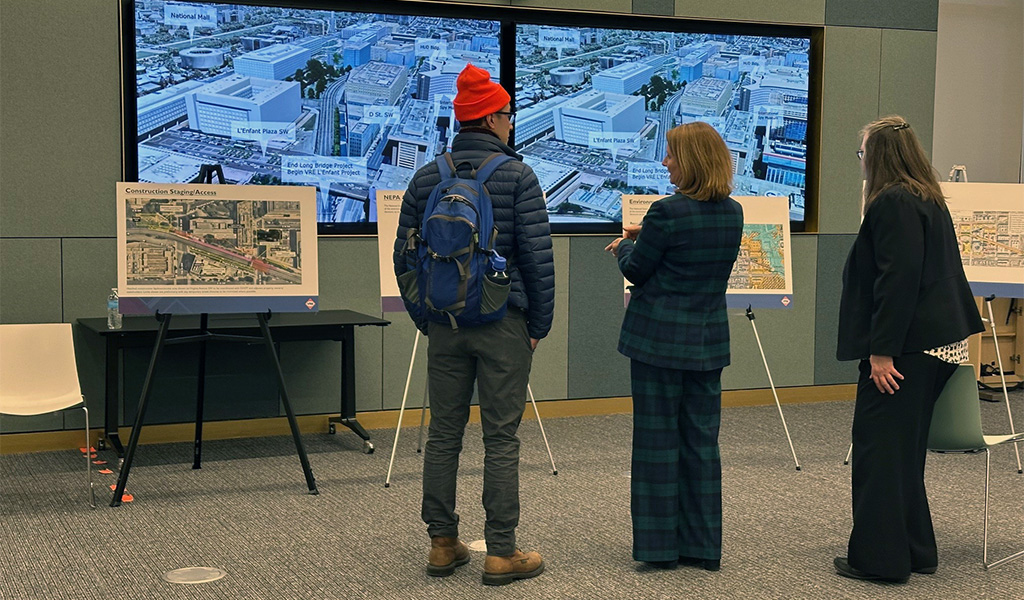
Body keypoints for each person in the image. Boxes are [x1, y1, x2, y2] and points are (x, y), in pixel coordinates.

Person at [393, 63, 554, 586]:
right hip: (504, 321)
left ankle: (442, 544)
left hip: (446, 325)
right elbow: (536, 258)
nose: (511, 123)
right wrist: (538, 325)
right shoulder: (518, 175)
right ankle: (501, 552)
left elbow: (405, 260)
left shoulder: (425, 176)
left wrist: (427, 318)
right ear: (490, 118)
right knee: (501, 437)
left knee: (443, 434)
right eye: (507, 114)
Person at [834, 115, 984, 583]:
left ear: (877, 157)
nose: (860, 163)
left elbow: (896, 283)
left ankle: (880, 560)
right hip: (936, 346)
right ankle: (916, 551)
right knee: (903, 455)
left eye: (862, 154)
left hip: (905, 350)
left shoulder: (892, 202)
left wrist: (882, 352)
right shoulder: (926, 197)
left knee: (878, 455)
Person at [606, 121, 743, 572]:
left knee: (656, 445)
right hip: (706, 345)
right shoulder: (733, 213)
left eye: (670, 154)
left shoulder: (665, 213)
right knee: (702, 445)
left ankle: (660, 549)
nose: (664, 161)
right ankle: (703, 547)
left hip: (658, 346)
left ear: (692, 162)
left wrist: (627, 244)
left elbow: (639, 272)